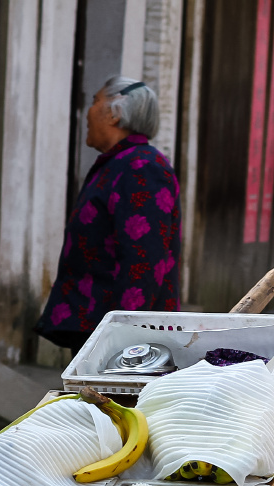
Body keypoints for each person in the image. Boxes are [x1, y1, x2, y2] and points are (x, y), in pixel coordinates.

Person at [35, 76, 182, 354]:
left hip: (117, 336)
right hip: (96, 323)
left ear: (115, 113)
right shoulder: (117, 163)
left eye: (94, 101)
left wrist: (125, 337)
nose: (88, 112)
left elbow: (144, 260)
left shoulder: (142, 167)